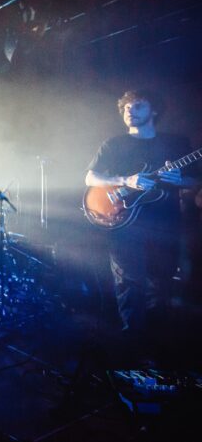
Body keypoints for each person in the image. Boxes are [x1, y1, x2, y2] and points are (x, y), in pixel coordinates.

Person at [85, 89, 199, 362]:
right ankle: (133, 345)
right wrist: (126, 181)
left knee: (162, 282)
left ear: (154, 110)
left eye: (137, 106)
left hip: (165, 223)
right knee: (129, 282)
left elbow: (194, 182)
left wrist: (178, 180)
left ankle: (160, 346)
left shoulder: (176, 143)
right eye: (126, 108)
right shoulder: (114, 144)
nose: (130, 111)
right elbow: (90, 178)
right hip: (125, 223)